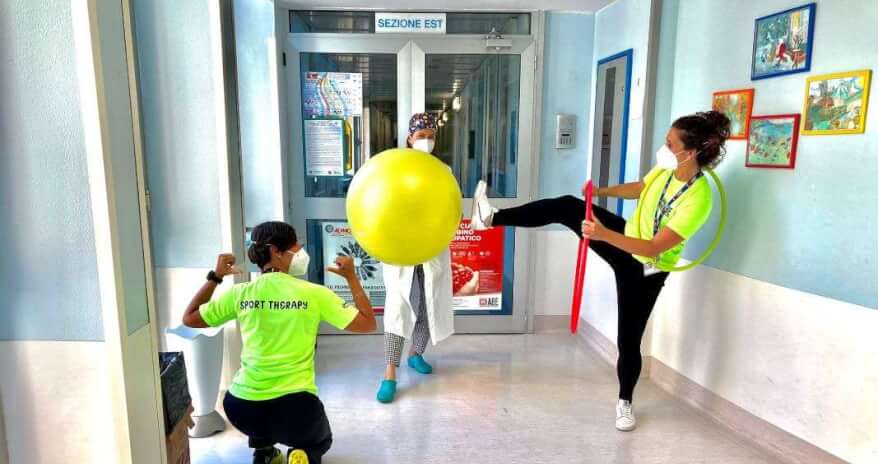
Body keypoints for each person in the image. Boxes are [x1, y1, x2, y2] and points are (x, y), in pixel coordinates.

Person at [469, 111, 730, 432]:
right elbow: (640, 188)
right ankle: (490, 218)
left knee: (628, 338)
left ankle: (625, 402)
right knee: (568, 206)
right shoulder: (667, 169)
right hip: (626, 235)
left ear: (689, 153)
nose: (664, 147)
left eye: (670, 143)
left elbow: (653, 247)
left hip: (646, 267)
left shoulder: (700, 199)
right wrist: (600, 192)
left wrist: (604, 235)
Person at [182, 221, 376, 464]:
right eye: (296, 247)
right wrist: (352, 278)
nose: (301, 253)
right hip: (296, 409)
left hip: (241, 408)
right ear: (276, 251)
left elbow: (189, 318)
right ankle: (303, 453)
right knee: (320, 440)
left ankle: (264, 452)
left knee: (263, 415)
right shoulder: (313, 293)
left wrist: (216, 276)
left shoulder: (240, 293)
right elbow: (368, 323)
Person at [376, 112, 456, 404]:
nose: (426, 141)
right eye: (421, 136)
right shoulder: (395, 167)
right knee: (398, 307)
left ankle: (416, 353)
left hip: (432, 249)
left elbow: (449, 207)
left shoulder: (442, 170)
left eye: (430, 136)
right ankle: (389, 374)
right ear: (409, 138)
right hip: (401, 250)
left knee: (427, 305)